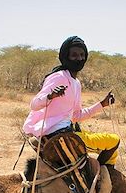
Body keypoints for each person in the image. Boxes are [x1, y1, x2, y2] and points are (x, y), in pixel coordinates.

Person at [22, 36, 120, 167]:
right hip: (58, 134)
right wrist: (50, 96)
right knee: (114, 141)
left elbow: (76, 116)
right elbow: (34, 105)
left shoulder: (76, 82)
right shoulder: (59, 77)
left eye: (82, 55)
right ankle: (103, 181)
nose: (79, 58)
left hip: (67, 131)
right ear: (65, 56)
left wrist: (102, 104)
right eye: (74, 55)